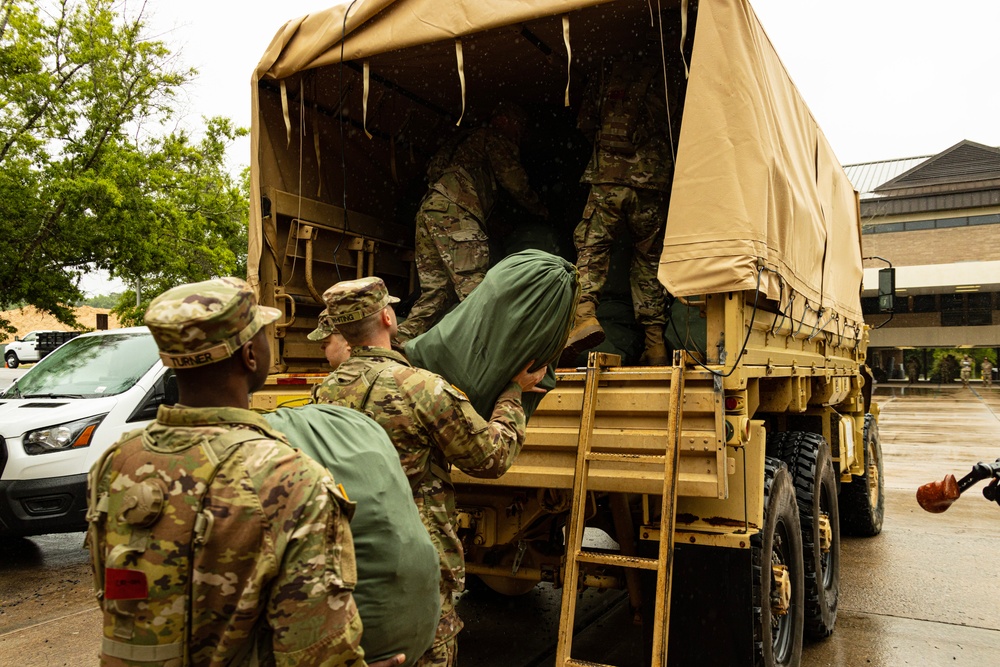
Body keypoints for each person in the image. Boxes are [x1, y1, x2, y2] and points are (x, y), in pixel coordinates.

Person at [85, 277, 402, 667]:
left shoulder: (116, 461)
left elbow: (119, 597)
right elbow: (314, 648)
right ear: (250, 355)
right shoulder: (288, 477)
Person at [313, 276, 547, 667]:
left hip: (357, 551)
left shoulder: (325, 392)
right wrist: (512, 394)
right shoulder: (422, 387)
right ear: (388, 317)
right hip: (419, 555)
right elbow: (491, 458)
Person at [396, 102, 548, 343]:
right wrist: (539, 209)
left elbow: (437, 175)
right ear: (504, 121)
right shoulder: (492, 138)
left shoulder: (458, 143)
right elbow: (514, 180)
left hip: (429, 211)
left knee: (434, 294)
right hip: (453, 213)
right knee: (474, 290)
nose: (518, 132)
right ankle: (491, 351)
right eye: (518, 124)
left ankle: (398, 345)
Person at [560, 48, 675, 367]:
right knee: (647, 257)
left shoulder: (607, 66)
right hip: (651, 182)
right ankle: (655, 346)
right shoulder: (670, 68)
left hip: (607, 176)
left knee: (592, 247)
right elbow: (678, 125)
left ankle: (584, 317)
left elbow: (585, 122)